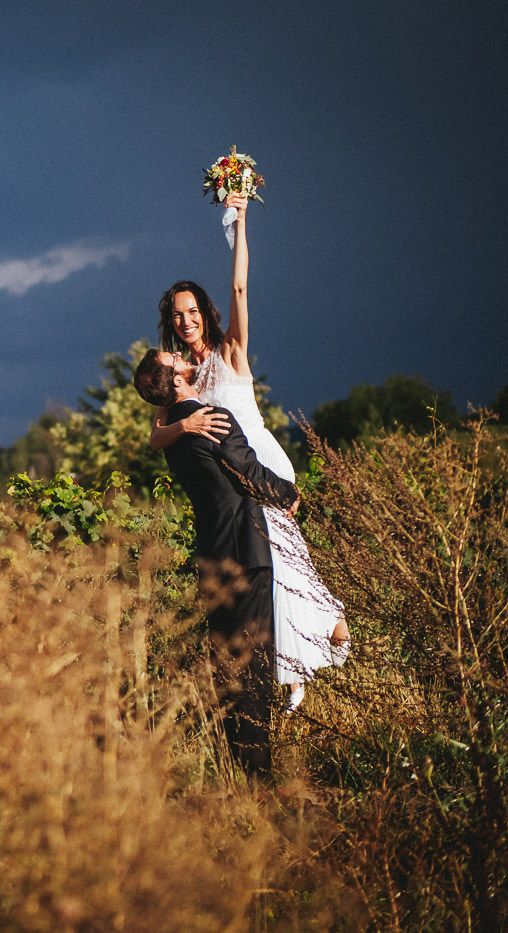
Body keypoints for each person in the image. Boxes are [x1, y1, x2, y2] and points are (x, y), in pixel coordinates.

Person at [149, 193, 349, 711]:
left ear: (204, 314)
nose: (185, 320)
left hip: (259, 462)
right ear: (170, 322)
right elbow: (156, 436)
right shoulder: (180, 378)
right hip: (233, 476)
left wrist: (239, 222)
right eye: (177, 315)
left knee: (283, 563)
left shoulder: (230, 353)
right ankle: (294, 666)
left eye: (191, 311)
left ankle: (327, 628)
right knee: (269, 570)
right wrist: (187, 423)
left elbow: (240, 286)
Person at [134, 347, 299, 779]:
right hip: (247, 551)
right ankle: (257, 776)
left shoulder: (174, 430)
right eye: (170, 357)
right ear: (175, 377)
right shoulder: (211, 417)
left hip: (213, 555)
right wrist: (291, 495)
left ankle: (234, 768)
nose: (177, 353)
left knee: (228, 663)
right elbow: (248, 472)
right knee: (255, 665)